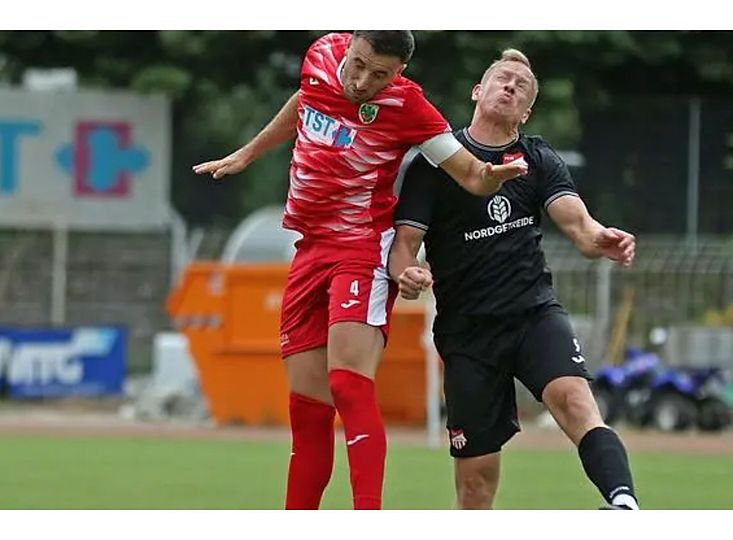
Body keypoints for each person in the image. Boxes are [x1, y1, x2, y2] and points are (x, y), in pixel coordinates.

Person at [192, 31, 527, 510]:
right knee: (307, 411)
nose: (363, 80)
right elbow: (307, 99)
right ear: (348, 47)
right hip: (309, 248)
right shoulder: (321, 53)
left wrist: (489, 177)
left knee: (347, 384)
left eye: (380, 74)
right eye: (359, 64)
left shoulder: (408, 105)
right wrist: (250, 151)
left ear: (399, 73)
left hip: (361, 247)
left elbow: (471, 174)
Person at [388, 49, 640, 510]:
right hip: (467, 333)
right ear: (477, 91)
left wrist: (600, 237)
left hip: (532, 314)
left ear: (526, 113)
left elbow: (580, 226)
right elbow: (404, 244)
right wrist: (406, 272)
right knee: (475, 485)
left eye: (522, 86)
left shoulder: (536, 158)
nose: (510, 86)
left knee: (574, 401)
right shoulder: (433, 163)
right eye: (502, 78)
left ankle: (623, 504)